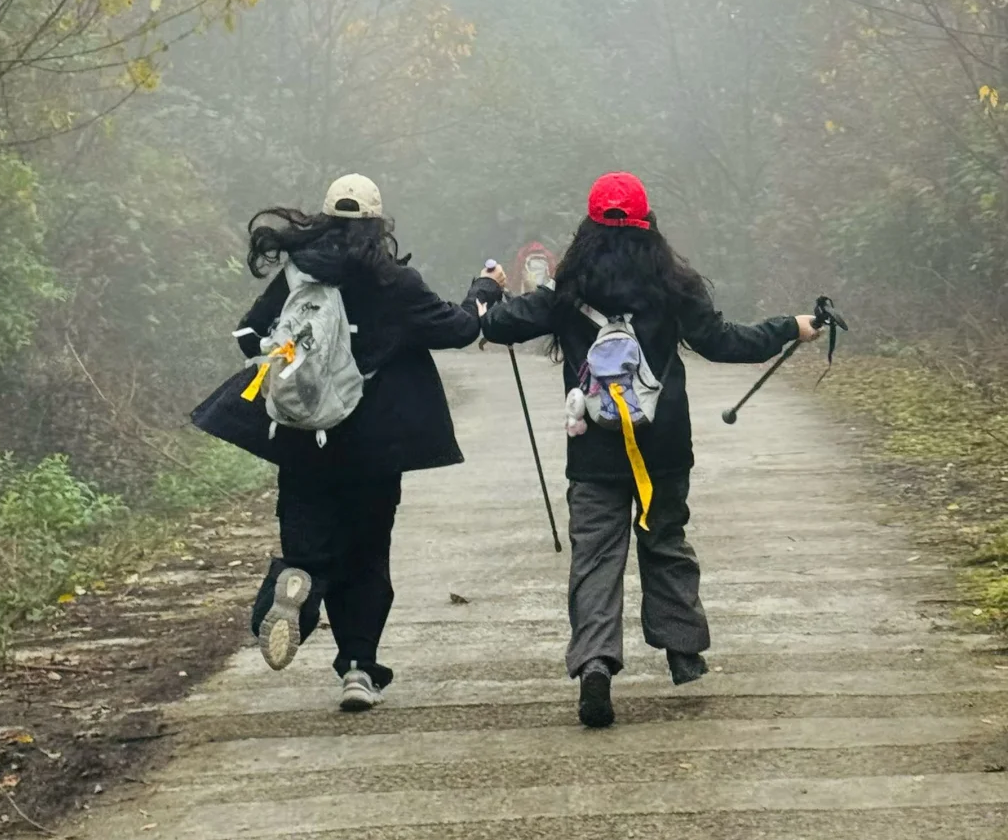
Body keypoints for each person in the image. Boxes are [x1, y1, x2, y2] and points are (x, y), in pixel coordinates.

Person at [480, 171, 821, 729]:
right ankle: (683, 650)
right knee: (664, 539)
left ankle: (595, 663)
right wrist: (791, 326)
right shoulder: (675, 284)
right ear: (649, 223)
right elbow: (724, 341)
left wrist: (490, 289)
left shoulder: (565, 289)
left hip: (591, 445)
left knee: (594, 557)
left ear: (589, 226)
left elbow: (499, 327)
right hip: (662, 444)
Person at [234, 174, 493, 713]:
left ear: (324, 219)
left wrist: (287, 370)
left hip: (304, 437)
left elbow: (247, 335)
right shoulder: (393, 282)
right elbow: (459, 329)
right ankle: (358, 669)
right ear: (378, 224)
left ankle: (295, 583)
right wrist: (482, 294)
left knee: (307, 538)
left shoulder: (298, 273)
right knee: (368, 554)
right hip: (375, 445)